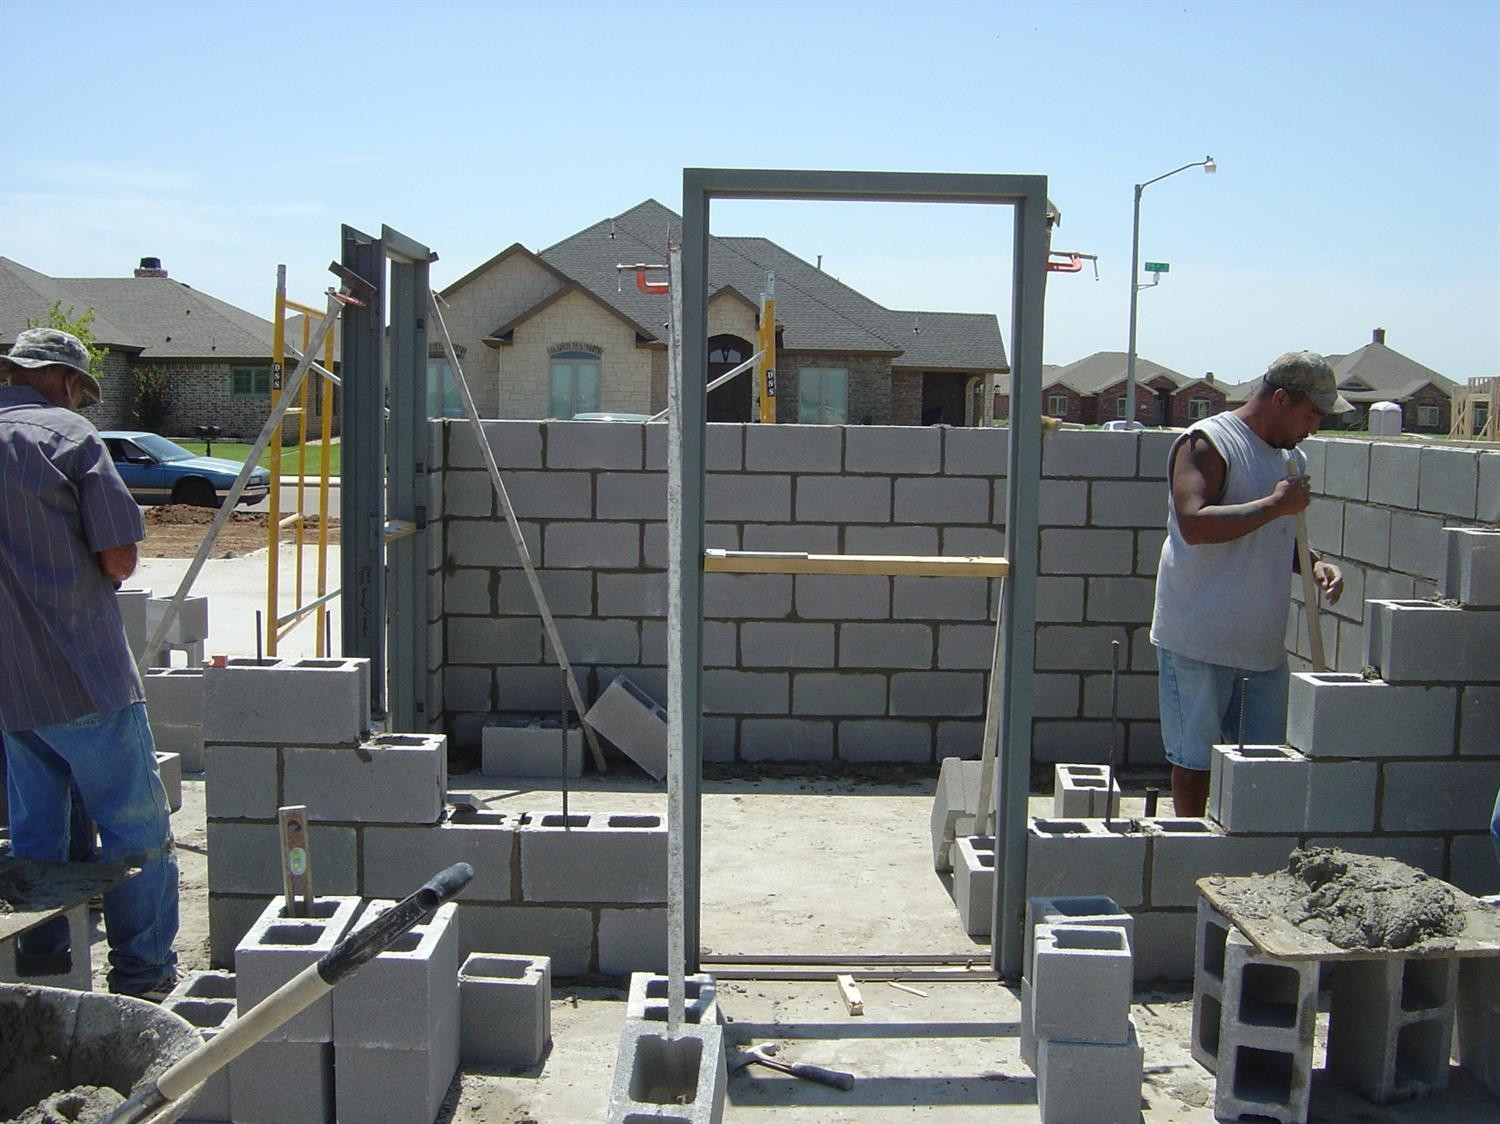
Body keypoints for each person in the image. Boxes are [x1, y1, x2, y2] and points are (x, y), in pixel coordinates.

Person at [0, 327, 179, 997]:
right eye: (81, 389)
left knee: (38, 836)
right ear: (66, 381)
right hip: (83, 674)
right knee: (136, 830)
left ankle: (48, 974)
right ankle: (144, 975)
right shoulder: (71, 439)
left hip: (10, 688)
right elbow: (119, 557)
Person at [1150, 351, 1350, 817]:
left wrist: (1313, 564)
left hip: (1260, 649)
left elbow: (1276, 536)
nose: (1315, 428)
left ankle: (1243, 863)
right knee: (1195, 762)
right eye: (1312, 414)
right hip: (1198, 641)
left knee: (1259, 765)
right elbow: (1194, 524)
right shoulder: (1208, 442)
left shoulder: (1289, 458)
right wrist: (1276, 505)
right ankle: (1191, 850)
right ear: (1281, 398)